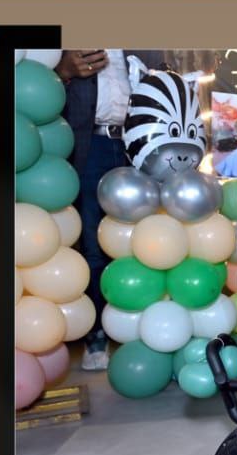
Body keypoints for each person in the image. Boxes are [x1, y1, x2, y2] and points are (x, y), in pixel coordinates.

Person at [55, 47, 163, 370]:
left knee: (144, 242)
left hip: (137, 144)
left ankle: (143, 328)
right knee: (93, 242)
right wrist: (63, 72)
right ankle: (97, 334)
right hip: (89, 145)